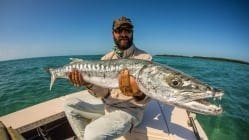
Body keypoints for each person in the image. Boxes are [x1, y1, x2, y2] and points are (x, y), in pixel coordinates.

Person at [64, 16, 152, 140]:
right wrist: (87, 83)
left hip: (130, 111)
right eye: (119, 30)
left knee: (92, 133)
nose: (123, 34)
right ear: (113, 33)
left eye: (127, 30)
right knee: (70, 105)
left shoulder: (145, 59)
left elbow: (148, 97)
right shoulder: (106, 58)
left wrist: (137, 93)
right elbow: (103, 93)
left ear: (132, 32)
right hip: (108, 106)